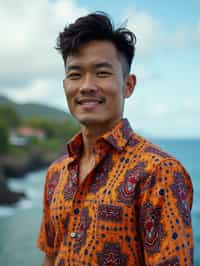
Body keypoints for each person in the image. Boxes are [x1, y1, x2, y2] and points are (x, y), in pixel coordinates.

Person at [36, 12, 194, 266]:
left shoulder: (158, 172)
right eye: (75, 75)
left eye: (101, 73)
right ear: (65, 85)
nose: (86, 85)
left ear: (128, 85)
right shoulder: (57, 172)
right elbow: (51, 255)